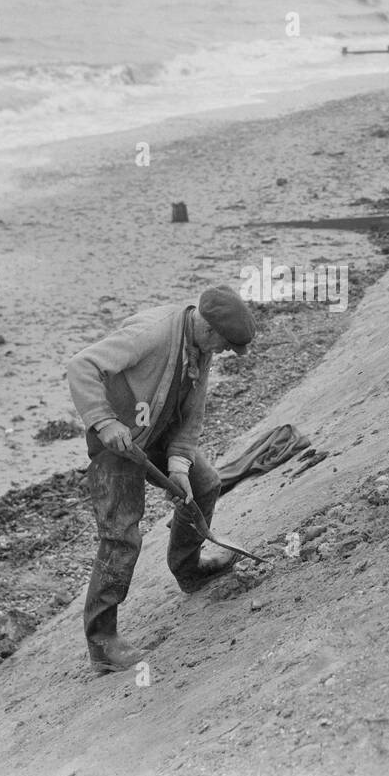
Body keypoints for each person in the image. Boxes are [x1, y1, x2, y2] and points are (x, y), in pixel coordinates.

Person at [67, 285, 256, 672]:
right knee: (121, 536)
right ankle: (102, 642)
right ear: (208, 329)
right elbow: (81, 366)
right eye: (223, 345)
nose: (221, 352)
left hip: (154, 432)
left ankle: (188, 570)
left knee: (203, 484)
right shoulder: (151, 334)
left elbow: (192, 415)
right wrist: (103, 422)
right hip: (115, 439)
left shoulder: (200, 349)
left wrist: (179, 466)